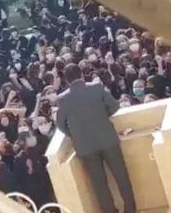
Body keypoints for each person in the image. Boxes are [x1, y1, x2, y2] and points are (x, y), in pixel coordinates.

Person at [56, 63, 136, 213]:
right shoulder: (96, 87)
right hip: (108, 139)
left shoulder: (62, 99)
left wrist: (75, 134)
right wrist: (103, 117)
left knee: (100, 185)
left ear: (66, 81)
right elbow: (115, 106)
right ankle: (130, 210)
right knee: (121, 177)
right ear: (81, 74)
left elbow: (60, 125)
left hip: (85, 147)